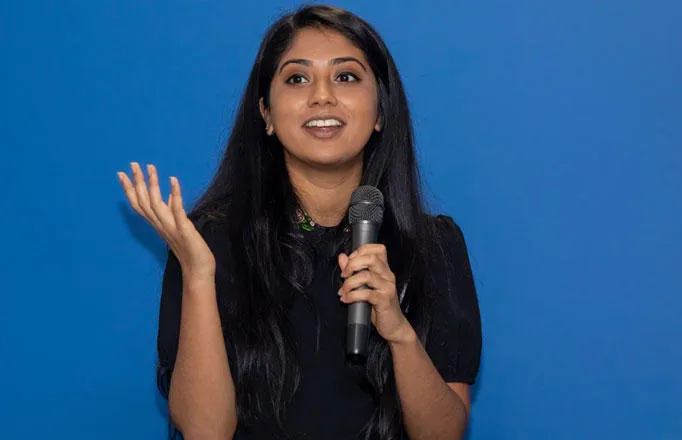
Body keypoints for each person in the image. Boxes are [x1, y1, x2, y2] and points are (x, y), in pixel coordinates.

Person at [117, 5, 481, 440]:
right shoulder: (208, 242)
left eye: (346, 76)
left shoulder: (434, 245)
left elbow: (445, 435)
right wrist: (198, 273)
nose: (322, 96)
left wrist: (400, 333)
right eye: (297, 78)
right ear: (267, 115)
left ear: (381, 110)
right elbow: (204, 432)